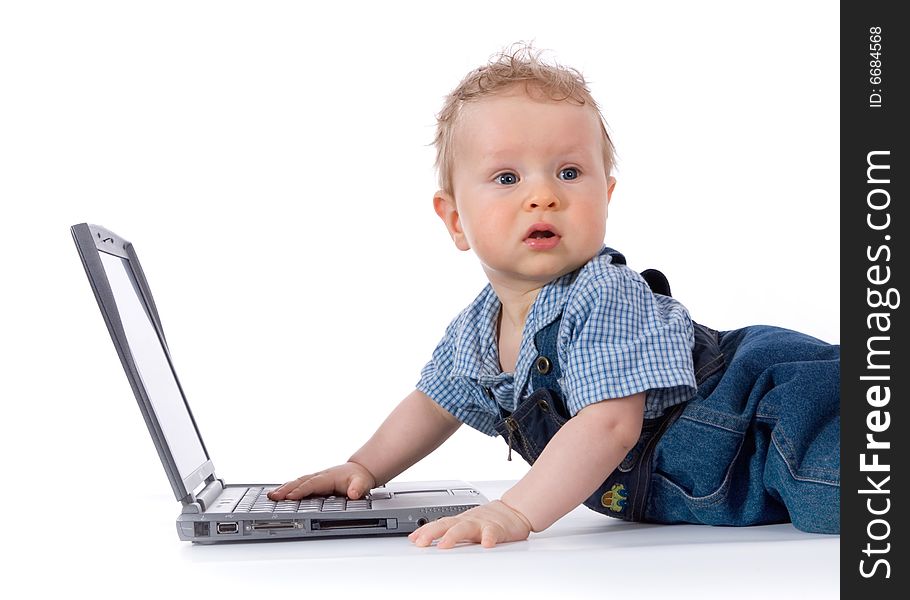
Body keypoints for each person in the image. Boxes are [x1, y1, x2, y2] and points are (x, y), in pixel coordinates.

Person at [268, 44, 840, 548]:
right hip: (731, 472)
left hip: (769, 414)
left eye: (569, 172)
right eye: (508, 178)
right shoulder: (477, 329)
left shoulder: (601, 293)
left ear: (606, 195)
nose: (543, 196)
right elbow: (433, 402)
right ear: (455, 220)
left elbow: (611, 425)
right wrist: (365, 466)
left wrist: (516, 510)